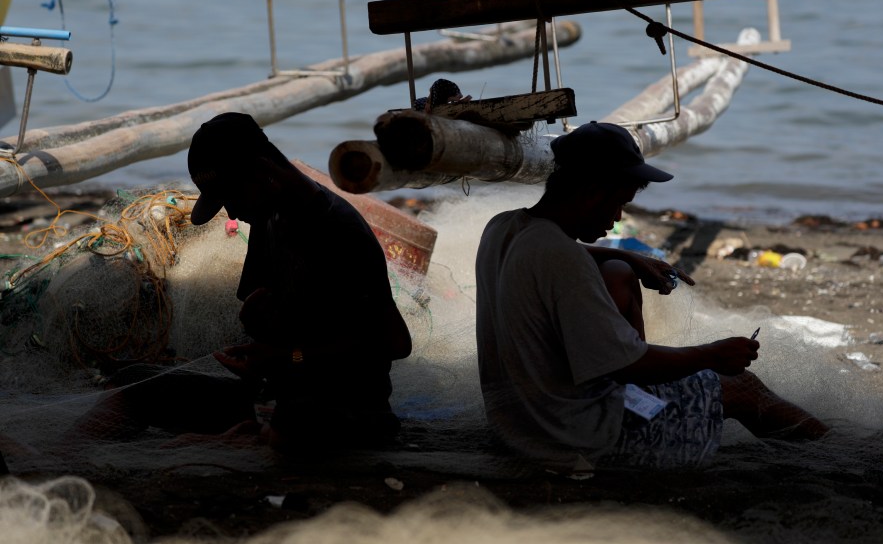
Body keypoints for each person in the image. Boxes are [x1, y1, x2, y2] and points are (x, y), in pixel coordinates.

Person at [475, 121, 828, 472]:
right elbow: (627, 364)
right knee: (742, 389)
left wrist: (627, 256)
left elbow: (552, 252)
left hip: (518, 425)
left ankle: (646, 398)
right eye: (618, 204)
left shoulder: (503, 227)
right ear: (592, 192)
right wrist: (713, 354)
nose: (616, 220)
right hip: (579, 438)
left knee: (617, 273)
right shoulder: (561, 257)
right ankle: (835, 450)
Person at [72, 112, 412, 451]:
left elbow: (394, 344)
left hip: (342, 411)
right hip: (280, 398)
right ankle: (63, 455)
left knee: (292, 424)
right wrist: (259, 343)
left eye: (232, 197)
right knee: (131, 384)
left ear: (264, 172)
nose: (232, 213)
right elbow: (283, 327)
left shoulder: (337, 231)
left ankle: (240, 441)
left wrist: (289, 358)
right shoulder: (269, 216)